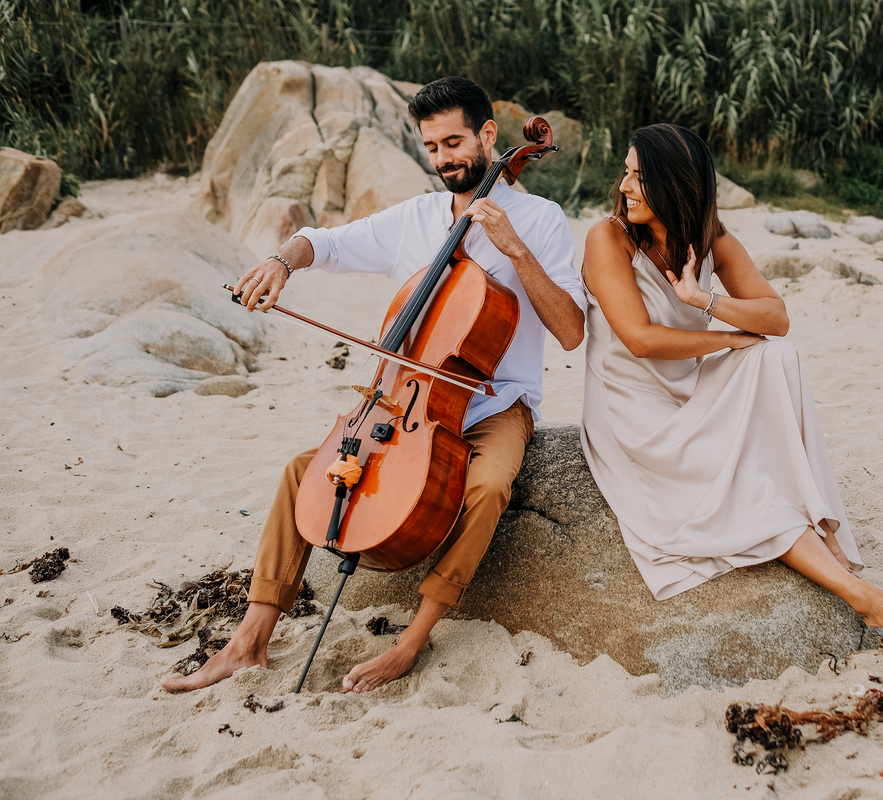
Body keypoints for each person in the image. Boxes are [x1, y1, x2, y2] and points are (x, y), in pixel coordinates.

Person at [161, 77, 585, 693]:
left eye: (455, 142)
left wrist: (516, 251)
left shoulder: (541, 221)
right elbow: (323, 242)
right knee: (301, 472)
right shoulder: (415, 217)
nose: (444, 159)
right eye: (433, 146)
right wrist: (281, 262)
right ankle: (247, 643)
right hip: (406, 400)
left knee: (489, 486)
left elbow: (571, 331)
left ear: (488, 135)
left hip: (496, 402)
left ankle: (414, 639)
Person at [580, 123, 883, 633]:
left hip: (688, 387)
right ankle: (858, 594)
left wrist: (703, 300)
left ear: (675, 183)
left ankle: (818, 522)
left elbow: (777, 318)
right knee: (750, 482)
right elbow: (641, 339)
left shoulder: (712, 241)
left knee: (777, 357)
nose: (624, 187)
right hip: (632, 407)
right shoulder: (608, 238)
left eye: (638, 176)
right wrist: (726, 338)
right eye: (626, 173)